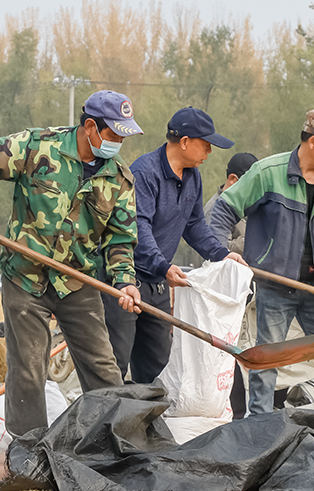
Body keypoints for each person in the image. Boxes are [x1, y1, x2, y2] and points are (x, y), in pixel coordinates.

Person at [0, 90, 143, 438]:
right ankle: (28, 447)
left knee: (104, 367)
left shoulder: (119, 179)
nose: (119, 142)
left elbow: (120, 239)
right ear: (91, 127)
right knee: (29, 367)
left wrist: (125, 281)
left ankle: (116, 442)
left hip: (77, 282)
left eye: (124, 136)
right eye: (114, 134)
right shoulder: (38, 146)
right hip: (25, 277)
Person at [209, 109, 314, 417]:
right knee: (267, 358)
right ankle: (260, 423)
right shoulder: (268, 173)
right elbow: (223, 210)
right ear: (313, 141)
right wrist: (220, 254)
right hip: (275, 285)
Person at [103, 106, 246, 384]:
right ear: (185, 142)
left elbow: (194, 225)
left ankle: (149, 411)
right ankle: (105, 411)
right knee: (114, 362)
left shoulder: (193, 176)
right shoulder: (145, 173)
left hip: (157, 284)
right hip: (125, 280)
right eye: (206, 144)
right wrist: (163, 266)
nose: (209, 152)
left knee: (158, 366)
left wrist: (222, 254)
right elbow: (138, 228)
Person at [203, 152, 258, 419]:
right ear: (233, 180)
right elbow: (216, 250)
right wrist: (256, 243)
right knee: (230, 351)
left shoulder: (246, 205)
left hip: (247, 292)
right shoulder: (216, 208)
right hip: (226, 294)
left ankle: (252, 410)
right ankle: (236, 413)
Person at [203, 152, 258, 254]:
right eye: (251, 183)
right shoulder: (214, 210)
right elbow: (218, 249)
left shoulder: (244, 204)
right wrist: (257, 239)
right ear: (233, 179)